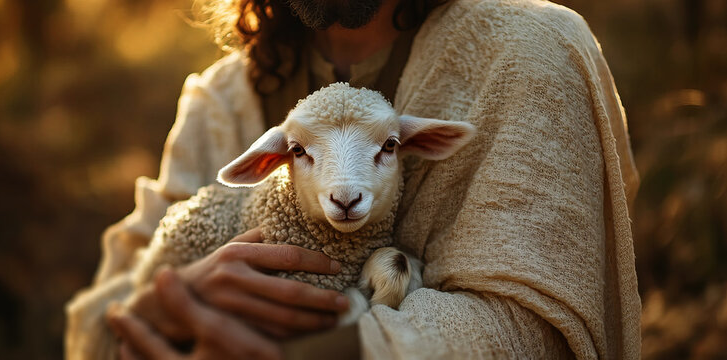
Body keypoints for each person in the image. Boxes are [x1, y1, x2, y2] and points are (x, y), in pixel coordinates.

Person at [65, 0, 642, 358]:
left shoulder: (529, 56)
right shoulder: (221, 100)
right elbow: (95, 320)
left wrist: (304, 351)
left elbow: (530, 330)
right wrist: (170, 302)